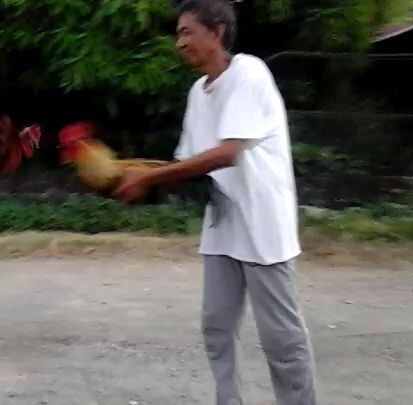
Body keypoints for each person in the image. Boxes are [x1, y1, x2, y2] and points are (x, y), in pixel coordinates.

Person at [113, 1, 317, 404]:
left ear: (217, 32)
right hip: (224, 224)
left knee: (280, 338)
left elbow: (227, 153)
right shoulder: (198, 92)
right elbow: (187, 165)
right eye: (178, 33)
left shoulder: (249, 74)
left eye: (187, 32)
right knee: (216, 326)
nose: (179, 42)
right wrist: (122, 174)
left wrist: (149, 178)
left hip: (262, 226)